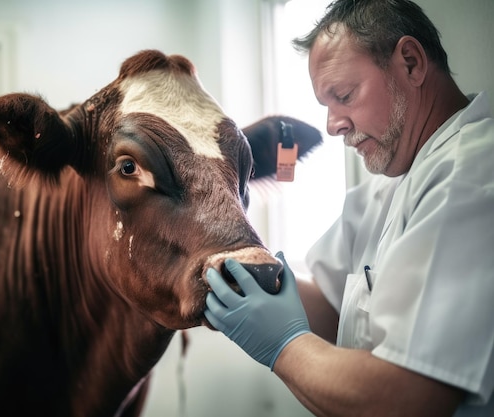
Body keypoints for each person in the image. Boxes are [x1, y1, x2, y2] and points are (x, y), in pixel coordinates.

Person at [204, 0, 494, 416]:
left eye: (343, 95)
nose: (331, 124)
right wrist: (246, 269)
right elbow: (332, 303)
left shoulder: (470, 176)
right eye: (326, 105)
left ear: (410, 63)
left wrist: (285, 347)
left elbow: (408, 398)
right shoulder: (385, 188)